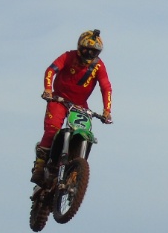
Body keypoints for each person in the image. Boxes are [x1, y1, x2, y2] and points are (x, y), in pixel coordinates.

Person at [31, 29, 113, 185]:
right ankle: (40, 166)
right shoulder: (68, 56)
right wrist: (48, 89)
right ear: (80, 47)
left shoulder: (98, 66)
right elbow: (51, 70)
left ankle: (75, 169)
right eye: (86, 49)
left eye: (93, 51)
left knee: (84, 133)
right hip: (59, 99)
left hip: (80, 105)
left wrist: (107, 111)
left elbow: (106, 87)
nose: (89, 54)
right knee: (52, 129)